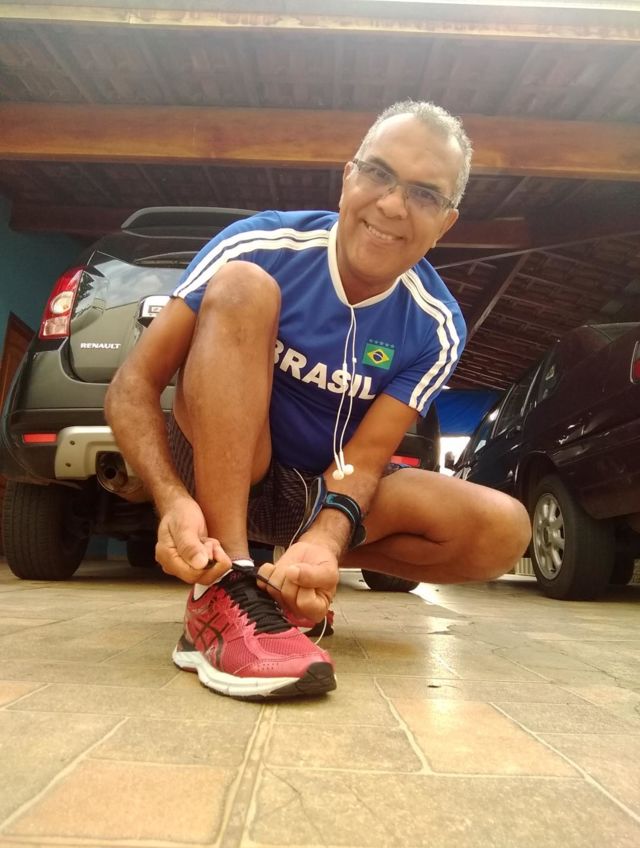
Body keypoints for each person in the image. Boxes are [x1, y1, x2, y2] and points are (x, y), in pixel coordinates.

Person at [105, 100, 531, 701]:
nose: (392, 205)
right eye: (378, 174)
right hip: (225, 464)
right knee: (245, 287)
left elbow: (367, 458)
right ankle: (223, 588)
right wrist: (171, 497)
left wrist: (324, 542)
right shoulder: (260, 243)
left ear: (446, 222)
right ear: (348, 176)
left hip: (319, 489)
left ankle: (283, 580)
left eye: (424, 194)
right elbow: (131, 386)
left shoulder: (437, 326)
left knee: (503, 528)